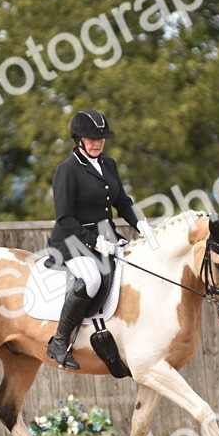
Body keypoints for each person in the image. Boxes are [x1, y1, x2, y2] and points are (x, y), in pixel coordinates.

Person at [45, 108, 153, 370]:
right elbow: (65, 219)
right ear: (78, 139)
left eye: (101, 139)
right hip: (72, 241)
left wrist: (140, 223)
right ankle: (59, 341)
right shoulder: (67, 170)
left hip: (107, 235)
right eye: (91, 139)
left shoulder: (108, 164)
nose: (97, 143)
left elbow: (122, 202)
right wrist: (93, 241)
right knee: (92, 279)